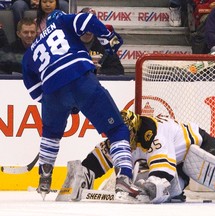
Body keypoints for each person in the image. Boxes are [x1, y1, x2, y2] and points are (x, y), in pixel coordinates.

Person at [22, 10, 143, 200]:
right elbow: (86, 19)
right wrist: (107, 37)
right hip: (80, 77)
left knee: (51, 135)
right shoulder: (62, 20)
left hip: (52, 92)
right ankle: (124, 178)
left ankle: (44, 178)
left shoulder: (29, 54)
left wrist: (58, 104)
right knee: (117, 129)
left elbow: (35, 91)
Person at [57, 110, 215, 204]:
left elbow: (162, 169)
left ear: (134, 129)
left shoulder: (152, 133)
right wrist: (81, 176)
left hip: (198, 144)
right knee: (171, 189)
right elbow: (98, 159)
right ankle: (179, 187)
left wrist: (153, 185)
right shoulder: (119, 136)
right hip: (177, 163)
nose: (120, 139)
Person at [79, 7, 124, 76]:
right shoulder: (68, 42)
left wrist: (99, 71)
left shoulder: (105, 43)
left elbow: (118, 70)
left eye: (92, 22)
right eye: (85, 22)